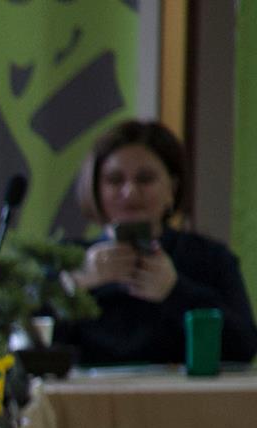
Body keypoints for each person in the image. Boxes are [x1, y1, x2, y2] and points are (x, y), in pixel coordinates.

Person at [56, 119, 256, 367]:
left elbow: (244, 347)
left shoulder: (210, 258)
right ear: (96, 190)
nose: (130, 192)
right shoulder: (65, 260)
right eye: (115, 180)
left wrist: (175, 291)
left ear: (172, 188)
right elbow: (25, 346)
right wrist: (74, 285)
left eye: (145, 179)